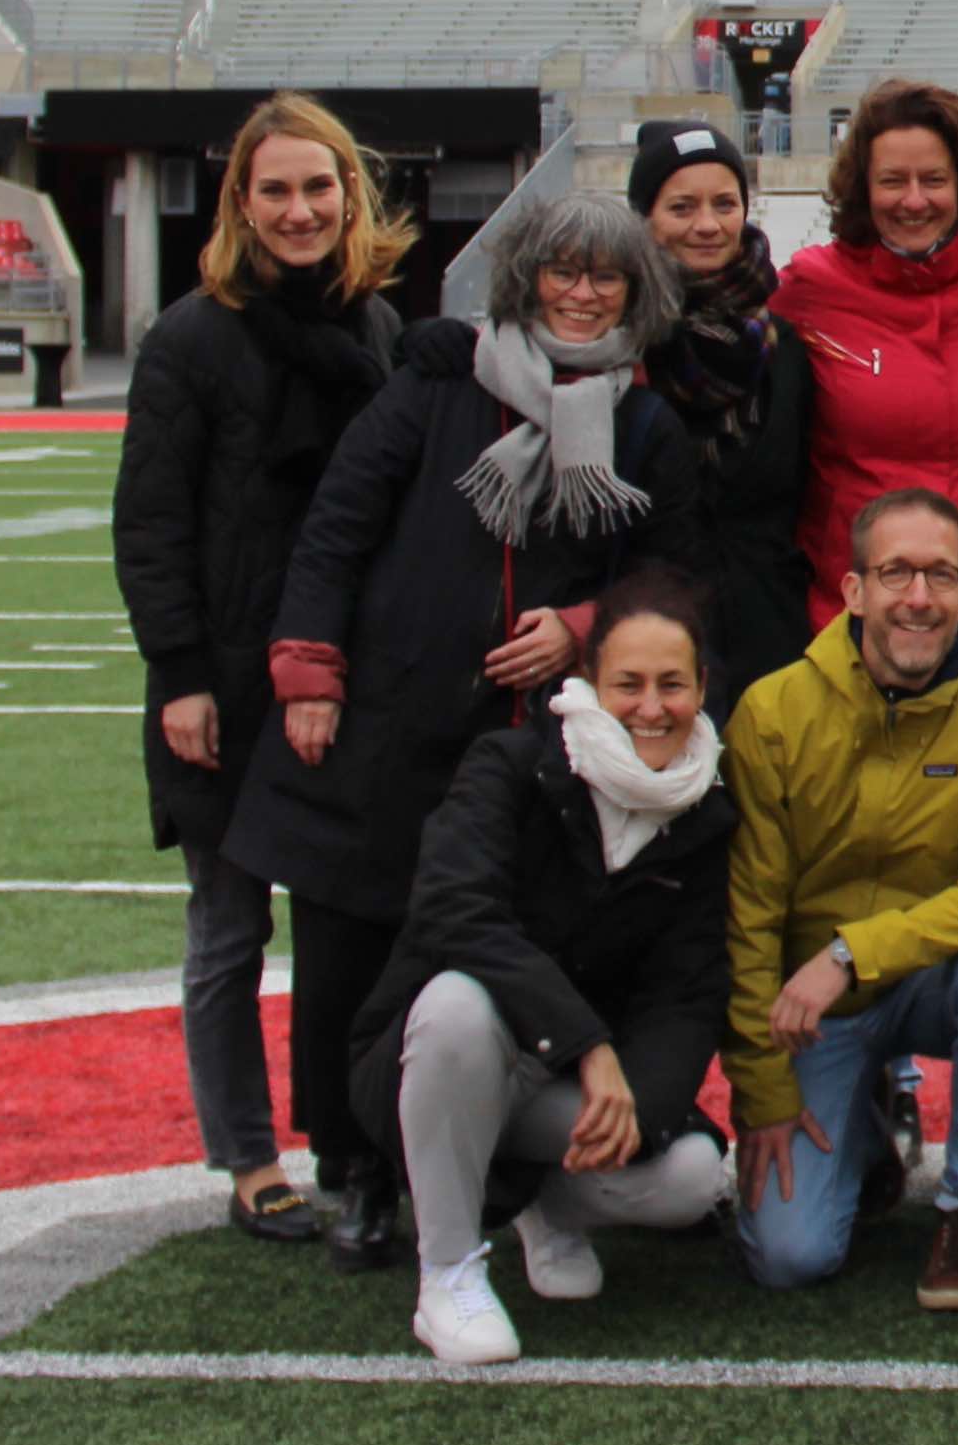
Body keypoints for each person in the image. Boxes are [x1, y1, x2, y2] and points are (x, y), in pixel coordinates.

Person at [243, 188, 693, 1268]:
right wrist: (309, 667)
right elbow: (339, 524)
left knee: (507, 955)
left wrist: (584, 629)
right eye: (562, 270)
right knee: (355, 941)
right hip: (399, 723)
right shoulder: (439, 383)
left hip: (546, 747)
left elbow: (672, 571)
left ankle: (512, 1170)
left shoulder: (646, 417)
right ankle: (356, 1169)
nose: (582, 293)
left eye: (606, 276)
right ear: (524, 275)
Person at [109, 89, 409, 1242]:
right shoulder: (190, 337)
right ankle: (245, 1156)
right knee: (230, 931)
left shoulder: (375, 326)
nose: (300, 209)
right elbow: (151, 523)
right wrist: (180, 672)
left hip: (347, 678)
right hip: (223, 683)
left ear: (351, 195)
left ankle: (344, 1134)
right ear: (242, 200)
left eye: (319, 187)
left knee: (343, 924)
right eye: (276, 189)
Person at [362, 572, 744, 1367]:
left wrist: (639, 1103)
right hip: (450, 1060)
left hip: (560, 1094)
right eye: (627, 684)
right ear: (588, 686)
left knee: (691, 1176)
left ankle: (548, 1208)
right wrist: (587, 1046)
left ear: (702, 688)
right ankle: (448, 1274)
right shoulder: (509, 766)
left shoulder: (709, 813)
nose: (651, 706)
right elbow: (455, 914)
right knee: (459, 1004)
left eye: (672, 684)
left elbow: (690, 990)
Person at [718, 487, 958, 1311]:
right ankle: (868, 1136)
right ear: (853, 591)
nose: (919, 597)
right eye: (896, 573)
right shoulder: (773, 710)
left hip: (935, 978)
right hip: (818, 1010)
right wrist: (764, 1093)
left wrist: (852, 953)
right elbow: (750, 918)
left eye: (941, 576)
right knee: (789, 1259)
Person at [774, 78, 958, 635]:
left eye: (934, 180)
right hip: (851, 611)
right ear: (862, 188)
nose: (913, 200)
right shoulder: (810, 288)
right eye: (891, 181)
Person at [627, 118, 823, 709]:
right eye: (681, 207)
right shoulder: (618, 340)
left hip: (769, 634)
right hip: (646, 639)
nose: (707, 225)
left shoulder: (785, 346)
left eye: (724, 203)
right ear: (646, 218)